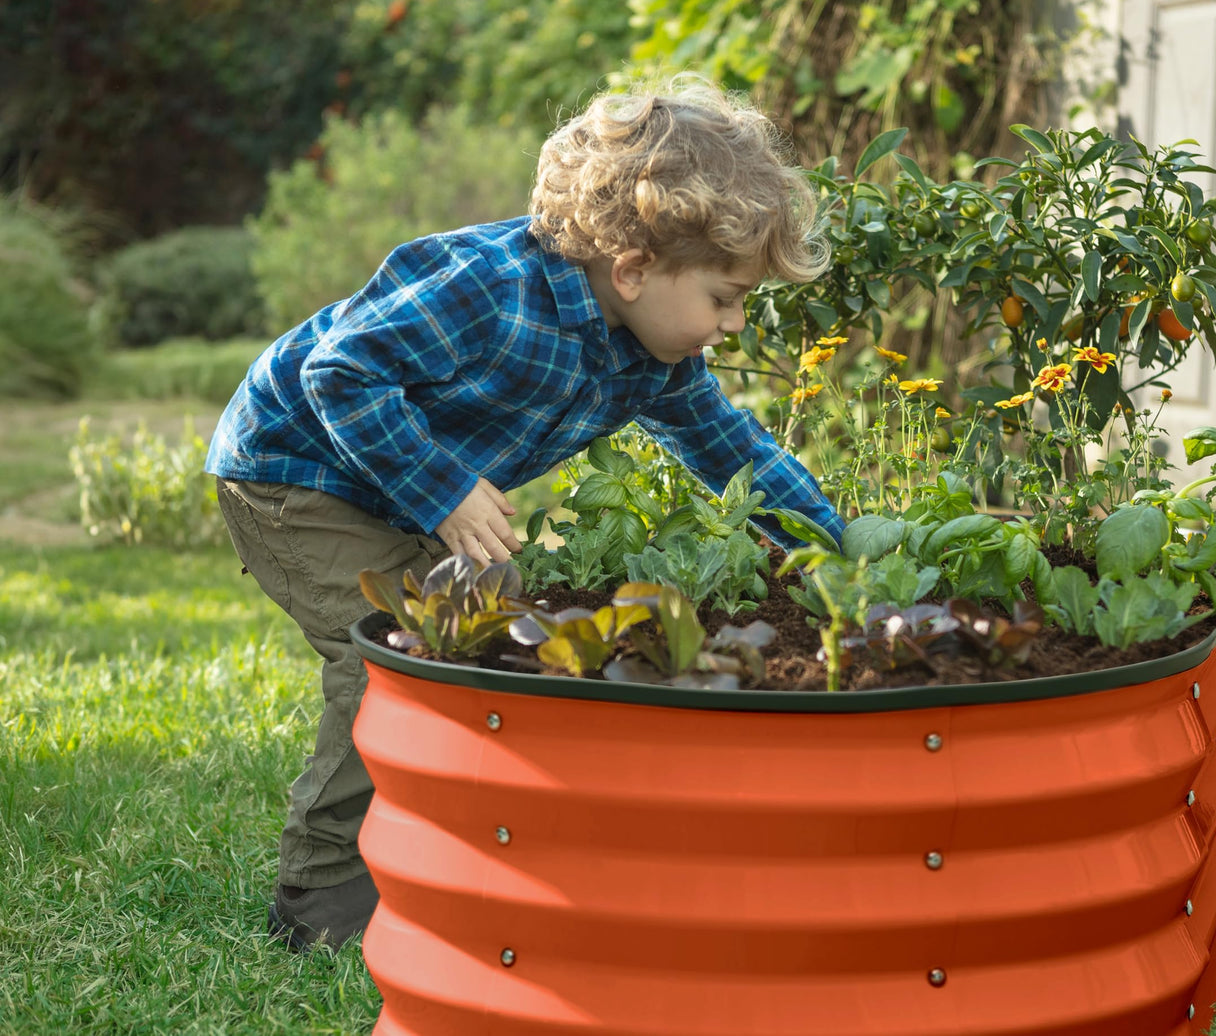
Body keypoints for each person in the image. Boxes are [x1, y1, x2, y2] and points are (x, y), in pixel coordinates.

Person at [206, 74, 846, 951]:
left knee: (488, 622)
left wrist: (835, 548)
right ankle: (316, 912)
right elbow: (340, 375)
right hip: (293, 468)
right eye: (724, 299)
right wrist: (442, 489)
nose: (731, 326)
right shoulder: (487, 288)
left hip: (391, 474)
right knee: (395, 655)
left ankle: (456, 851)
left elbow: (733, 453)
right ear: (633, 270)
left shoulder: (652, 358)